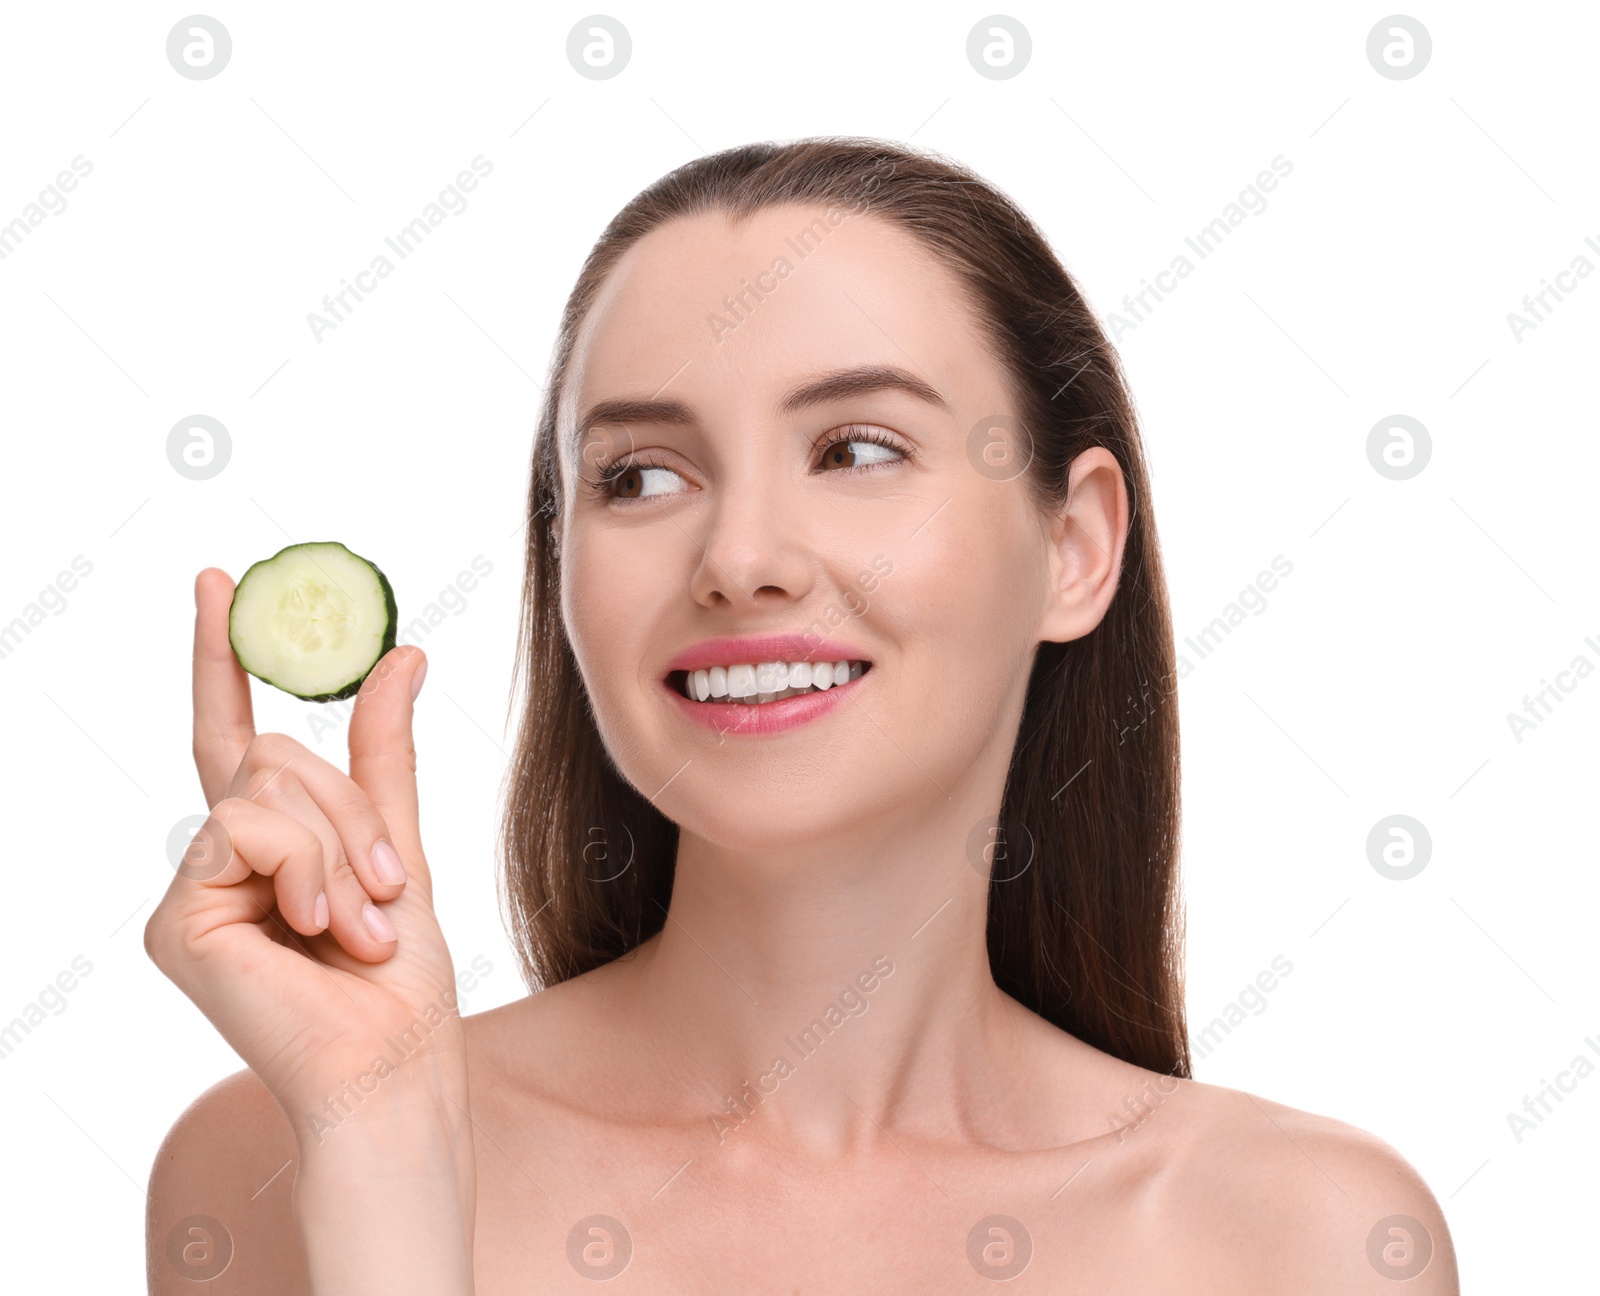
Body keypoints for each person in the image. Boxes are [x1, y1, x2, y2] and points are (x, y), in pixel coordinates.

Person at [145, 138, 1458, 1293]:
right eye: (642, 476)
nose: (741, 557)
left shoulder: (1306, 1243)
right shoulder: (281, 1157)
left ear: (1074, 545)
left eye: (859, 450)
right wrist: (383, 1162)